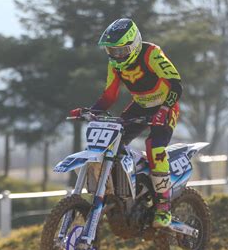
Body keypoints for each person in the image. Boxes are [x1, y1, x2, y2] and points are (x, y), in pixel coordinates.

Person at [70, 18, 182, 228]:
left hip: (166, 105)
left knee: (155, 147)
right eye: (111, 51)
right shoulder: (115, 65)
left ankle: (163, 206)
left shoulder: (152, 54)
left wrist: (165, 109)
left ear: (134, 44)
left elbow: (176, 84)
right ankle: (125, 191)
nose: (116, 56)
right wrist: (90, 111)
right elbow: (109, 96)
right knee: (113, 142)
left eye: (120, 50)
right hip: (140, 106)